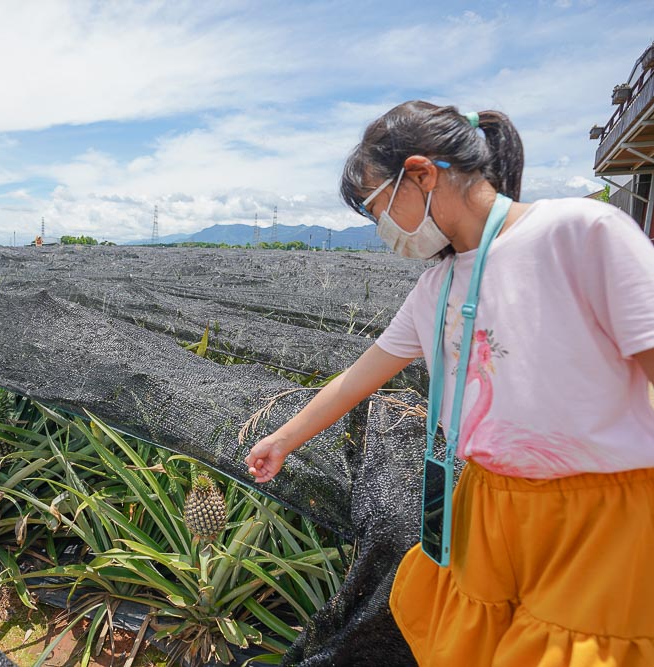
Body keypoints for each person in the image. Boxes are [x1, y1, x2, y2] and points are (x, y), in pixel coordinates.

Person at [245, 101, 654, 666]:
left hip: (600, 513)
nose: (381, 228)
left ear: (420, 174)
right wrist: (284, 438)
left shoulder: (582, 232)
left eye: (376, 207)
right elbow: (358, 378)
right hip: (485, 502)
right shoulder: (435, 287)